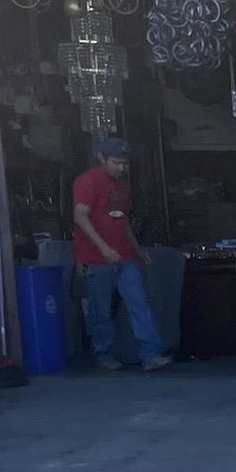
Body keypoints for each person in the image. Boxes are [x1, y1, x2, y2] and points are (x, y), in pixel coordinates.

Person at [72, 138, 169, 372]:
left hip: (125, 256)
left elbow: (123, 221)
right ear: (101, 158)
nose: (121, 168)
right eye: (116, 162)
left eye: (124, 163)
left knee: (139, 303)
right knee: (100, 308)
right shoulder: (87, 181)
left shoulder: (124, 185)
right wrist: (104, 248)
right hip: (93, 258)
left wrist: (137, 249)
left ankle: (150, 354)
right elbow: (80, 216)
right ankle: (103, 354)